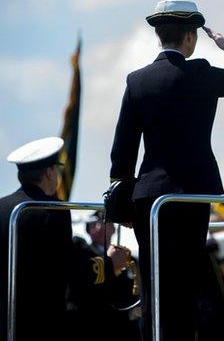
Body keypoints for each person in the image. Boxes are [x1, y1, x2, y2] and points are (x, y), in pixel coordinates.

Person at [109, 0, 224, 340]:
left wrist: (122, 193)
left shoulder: (137, 80)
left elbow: (122, 149)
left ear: (160, 35)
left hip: (148, 198)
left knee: (154, 285)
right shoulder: (200, 74)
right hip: (191, 195)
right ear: (191, 37)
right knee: (185, 285)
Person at [0, 137, 73, 339]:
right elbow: (64, 268)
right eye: (57, 169)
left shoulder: (2, 207)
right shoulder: (55, 210)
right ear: (50, 172)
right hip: (41, 324)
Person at [66, 211, 141, 341]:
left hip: (123, 325)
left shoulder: (129, 258)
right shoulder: (82, 252)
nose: (105, 224)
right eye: (99, 221)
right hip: (92, 322)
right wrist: (109, 263)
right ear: (90, 229)